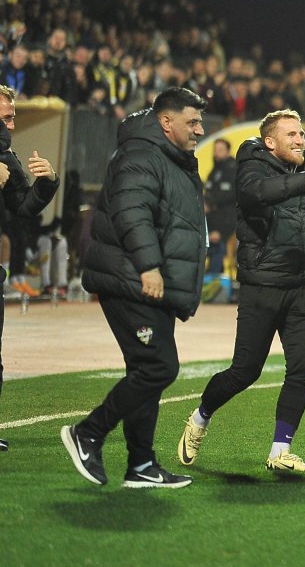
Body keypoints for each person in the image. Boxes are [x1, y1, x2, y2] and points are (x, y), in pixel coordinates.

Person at [178, 109, 305, 473]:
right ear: (270, 142)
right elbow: (256, 195)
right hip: (262, 285)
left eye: (301, 133)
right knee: (245, 371)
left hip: (303, 285)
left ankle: (279, 451)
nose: (300, 139)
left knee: (301, 370)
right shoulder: (252, 168)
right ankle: (201, 416)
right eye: (291, 134)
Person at [61, 87, 206, 488]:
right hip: (133, 280)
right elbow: (131, 213)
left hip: (148, 282)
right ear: (166, 121)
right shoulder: (142, 155)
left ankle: (141, 465)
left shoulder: (168, 158)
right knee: (159, 366)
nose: (200, 129)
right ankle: (87, 432)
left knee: (146, 369)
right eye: (192, 121)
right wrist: (150, 267)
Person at [0, 85, 60, 452]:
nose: (12, 122)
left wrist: (48, 181)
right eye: (7, 116)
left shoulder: (6, 156)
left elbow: (23, 206)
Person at [203, 138, 237, 275]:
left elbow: (231, 199)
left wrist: (221, 231)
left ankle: (214, 284)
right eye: (215, 150)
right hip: (210, 227)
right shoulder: (213, 171)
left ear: (228, 151)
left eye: (220, 150)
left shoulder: (234, 170)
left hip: (225, 227)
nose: (216, 153)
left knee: (218, 249)